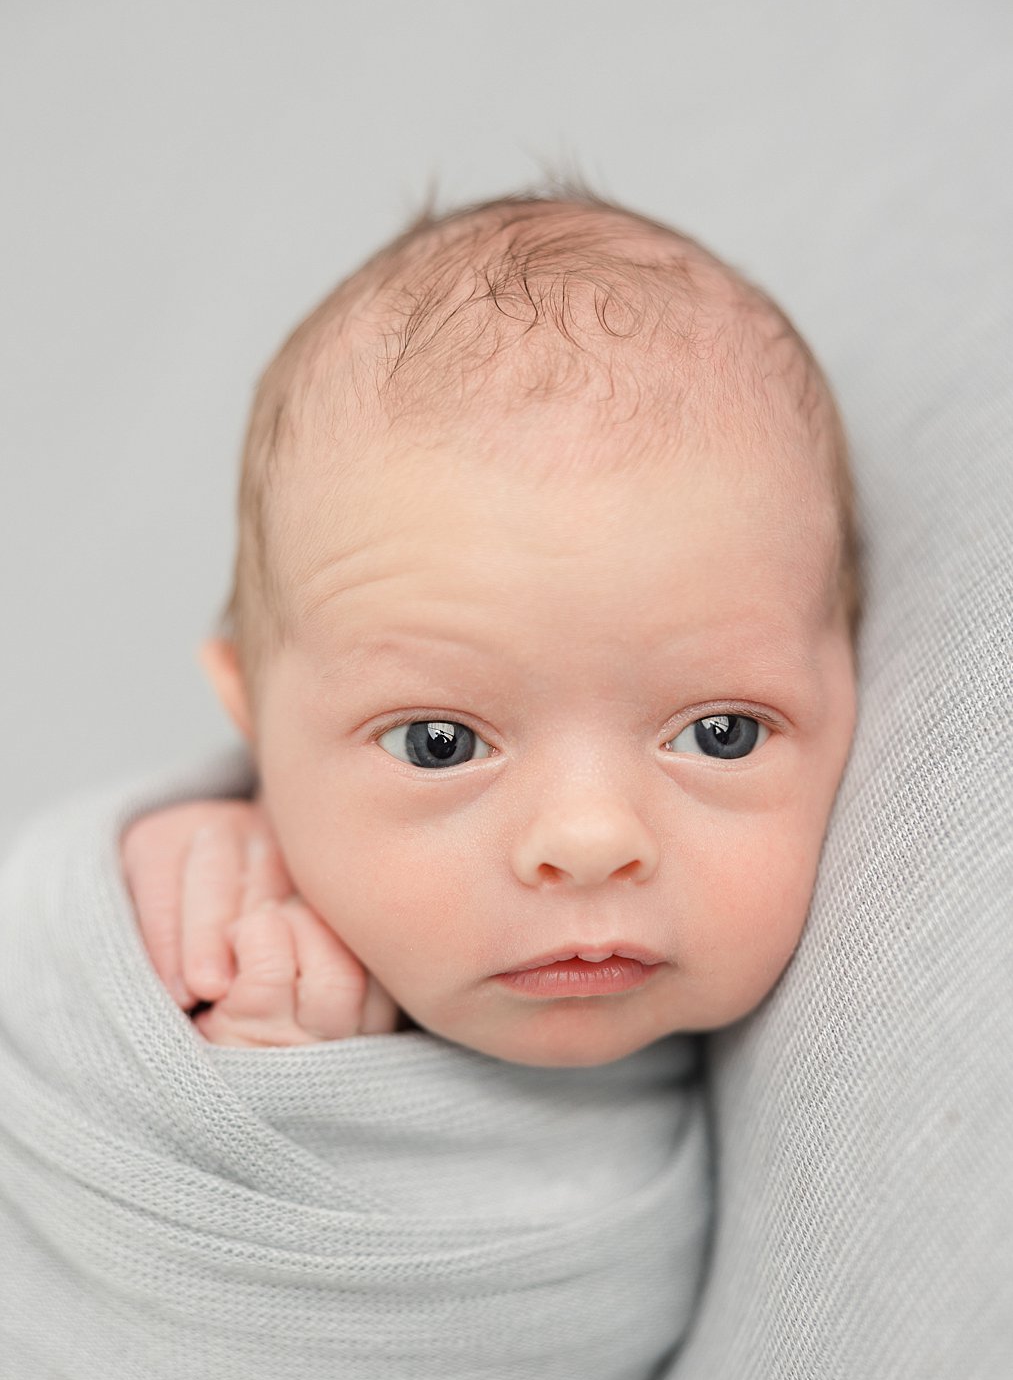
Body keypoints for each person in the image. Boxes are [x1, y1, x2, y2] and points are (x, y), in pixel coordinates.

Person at [122, 185, 861, 1067]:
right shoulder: (161, 930)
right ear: (252, 723)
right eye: (438, 744)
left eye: (720, 733)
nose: (588, 841)